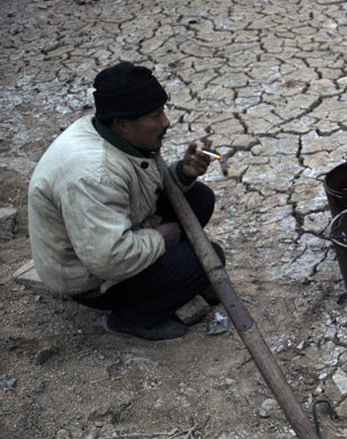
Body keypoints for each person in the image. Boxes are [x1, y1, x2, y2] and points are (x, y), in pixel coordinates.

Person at [28, 61, 225, 340]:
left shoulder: (117, 134)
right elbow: (109, 260)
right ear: (122, 124)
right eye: (156, 116)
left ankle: (181, 280)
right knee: (208, 257)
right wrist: (160, 238)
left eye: (163, 112)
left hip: (112, 235)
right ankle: (134, 318)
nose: (166, 122)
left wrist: (183, 173)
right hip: (90, 277)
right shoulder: (93, 174)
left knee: (199, 198)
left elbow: (141, 188)